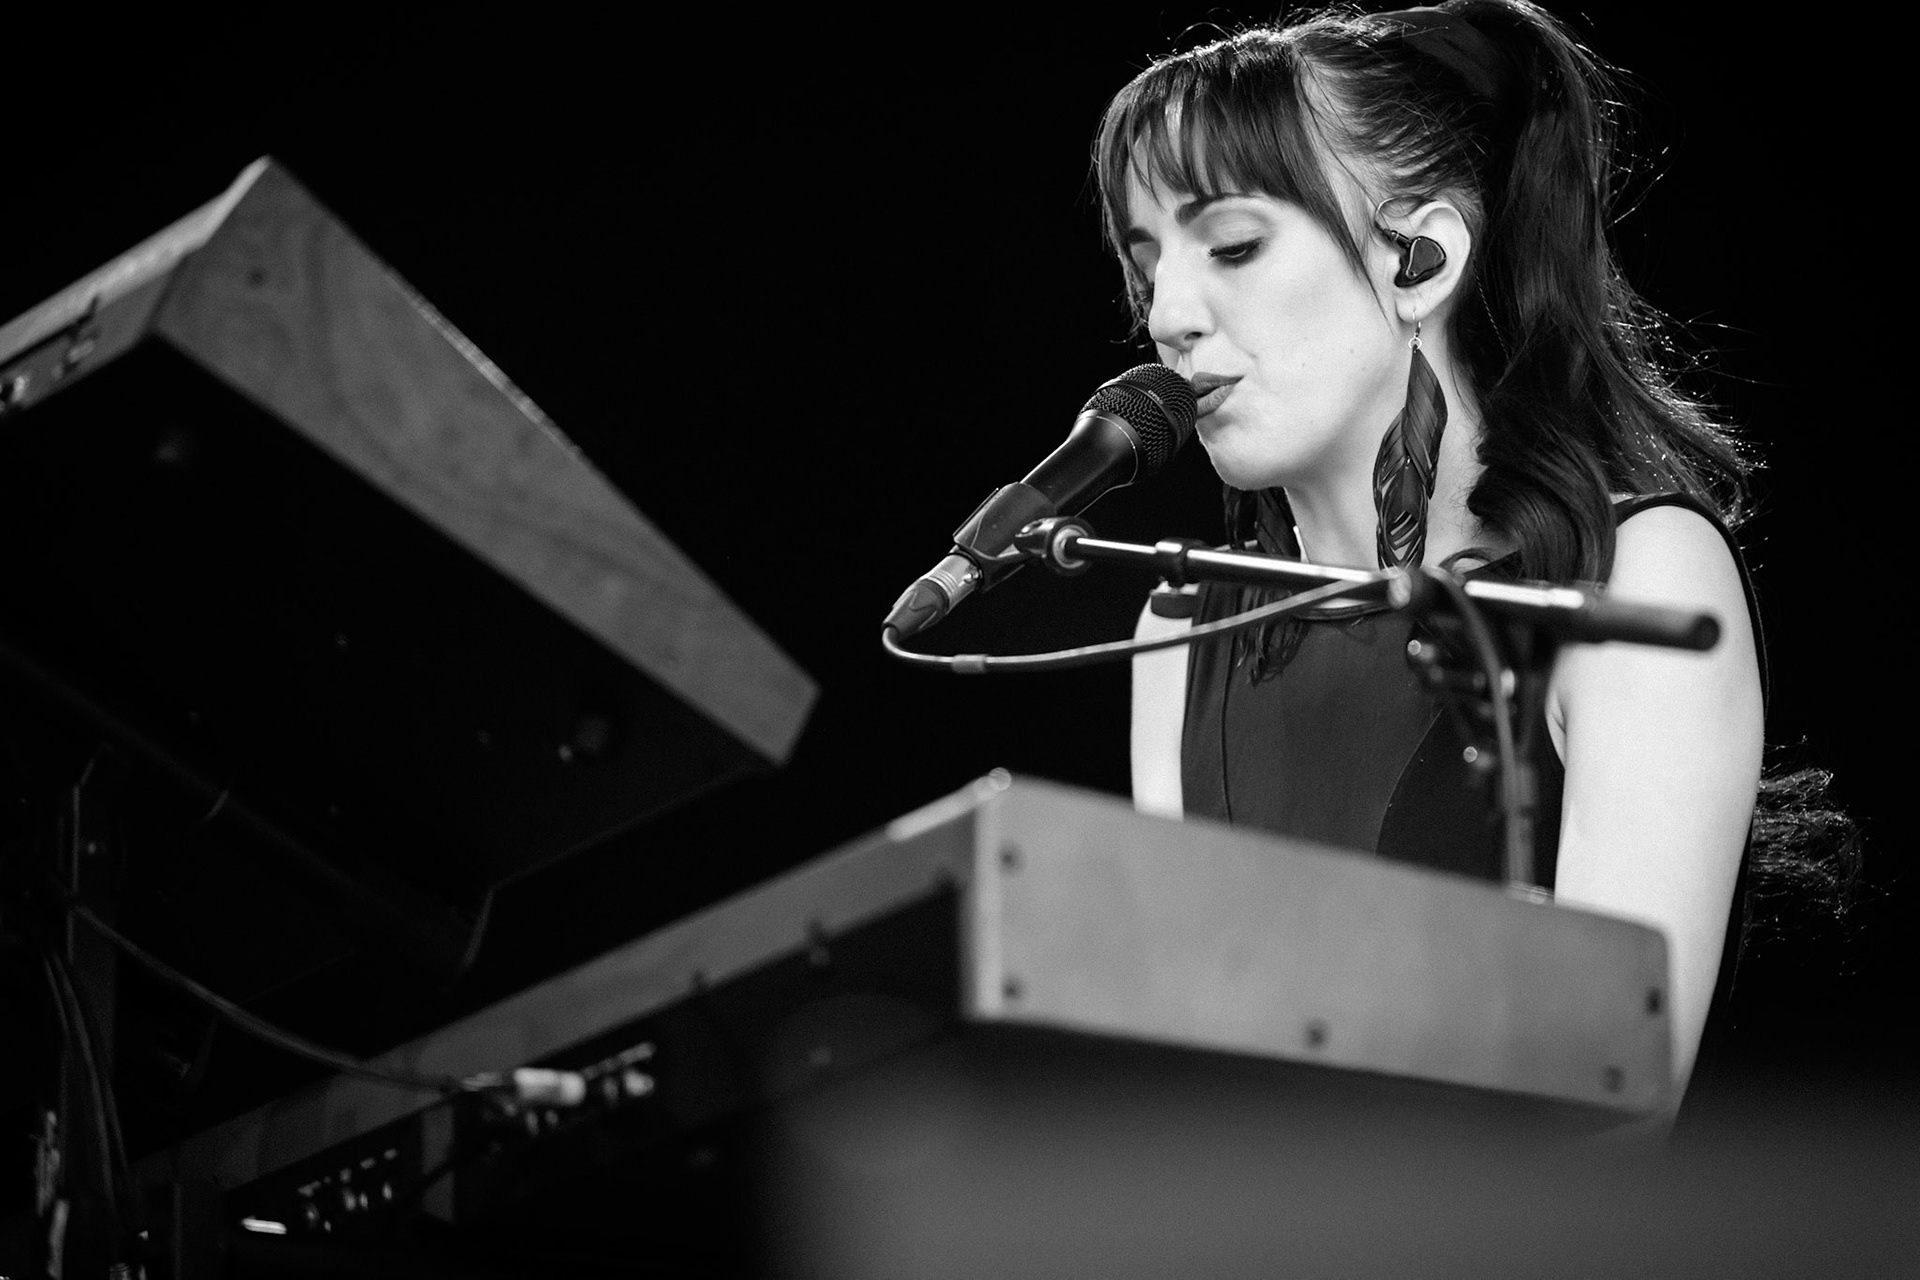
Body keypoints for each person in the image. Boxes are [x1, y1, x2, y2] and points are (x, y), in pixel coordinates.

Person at [1109, 1, 1763, 1099]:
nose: (1166, 313)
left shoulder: (1632, 576)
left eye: (1232, 245)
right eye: (1145, 264)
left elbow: (1607, 1112)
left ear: (1422, 261)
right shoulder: (1181, 626)